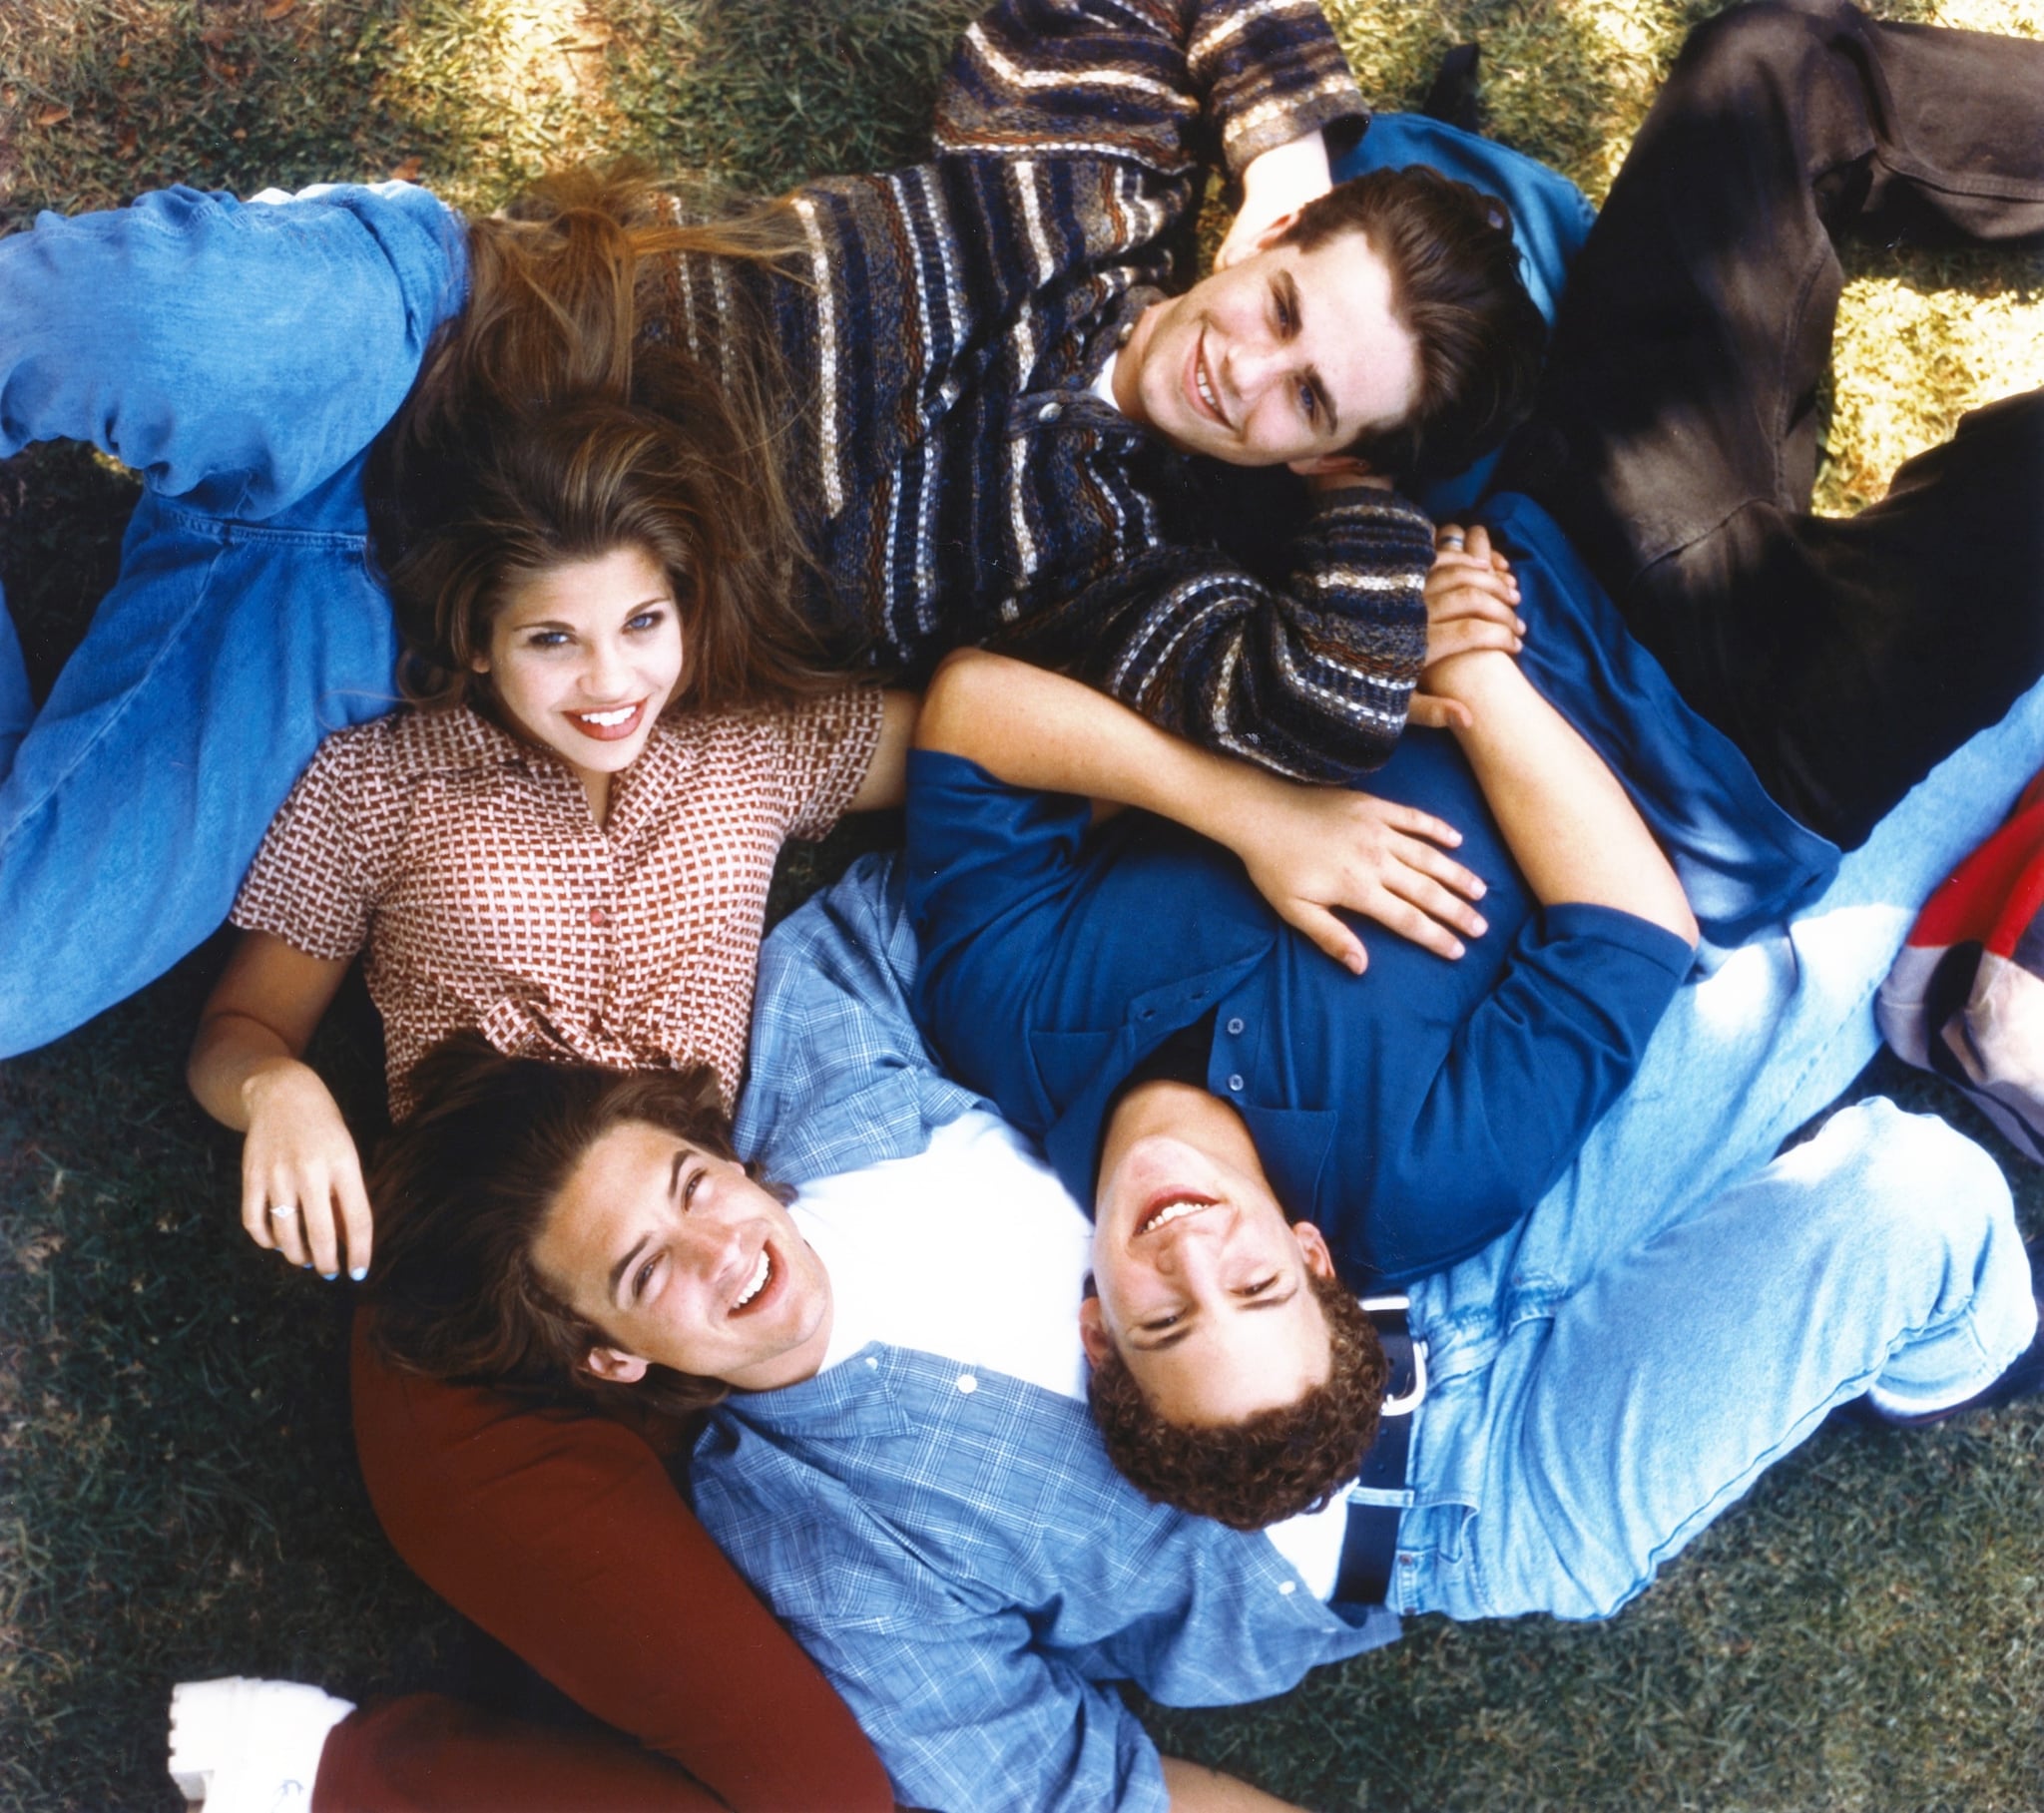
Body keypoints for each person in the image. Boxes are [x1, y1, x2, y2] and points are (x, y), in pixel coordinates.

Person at [275, 649, 2044, 1808]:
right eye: (655, 1272)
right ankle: (1961, 1346)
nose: (725, 1242)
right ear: (618, 1352)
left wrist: (1253, 832)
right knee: (1923, 1191)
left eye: (689, 1182)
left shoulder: (805, 1063)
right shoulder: (816, 1552)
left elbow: (965, 887)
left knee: (1829, 948)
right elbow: (1081, 1792)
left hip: (1405, 1229)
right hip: (1470, 1498)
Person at [901, 0, 2044, 1497]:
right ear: (1313, 1260)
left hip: (1570, 529)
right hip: (1743, 761)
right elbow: (1631, 937)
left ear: (1099, 1326)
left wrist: (1254, 817)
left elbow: (973, 713)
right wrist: (1481, 689)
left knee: (1765, 71)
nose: (1191, 1251)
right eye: (1255, 1289)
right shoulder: (1407, 1193)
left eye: (1166, 1312)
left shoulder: (1005, 1017)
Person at [0, 0, 1545, 1059]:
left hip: (380, 614)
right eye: (1281, 307)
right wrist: (1286, 149)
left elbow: (1319, 706)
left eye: (1310, 402)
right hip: (438, 332)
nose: (1246, 370)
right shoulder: (1082, 172)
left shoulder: (1137, 576)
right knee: (99, 319)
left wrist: (1368, 495)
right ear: (1264, 239)